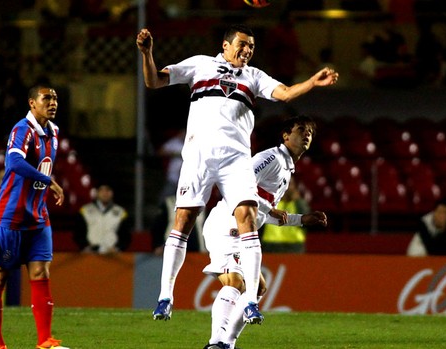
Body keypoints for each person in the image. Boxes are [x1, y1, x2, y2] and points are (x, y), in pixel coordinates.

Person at [136, 24, 338, 323]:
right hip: (199, 155)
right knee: (183, 221)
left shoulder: (253, 76)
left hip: (236, 158)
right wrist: (147, 52)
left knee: (247, 217)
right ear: (226, 45)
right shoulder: (201, 64)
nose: (247, 50)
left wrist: (311, 82)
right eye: (242, 44)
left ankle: (250, 303)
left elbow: (283, 94)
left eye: (252, 47)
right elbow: (154, 81)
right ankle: (165, 296)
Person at [202, 115, 328, 349]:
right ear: (286, 135)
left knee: (258, 287)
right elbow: (238, 184)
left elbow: (263, 212)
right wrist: (271, 207)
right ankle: (216, 343)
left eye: (310, 131)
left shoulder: (287, 168)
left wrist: (301, 219)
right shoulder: (272, 157)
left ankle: (226, 343)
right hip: (228, 224)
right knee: (235, 281)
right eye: (301, 130)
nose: (307, 134)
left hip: (242, 228)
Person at [0, 85, 68, 349]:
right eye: (46, 98)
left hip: (38, 216)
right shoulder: (22, 130)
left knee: (41, 272)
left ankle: (45, 341)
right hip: (12, 216)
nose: (52, 102)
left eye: (54, 98)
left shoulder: (53, 132)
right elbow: (14, 163)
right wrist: (49, 181)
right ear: (32, 103)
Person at [73, 184, 132, 255]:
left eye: (108, 190)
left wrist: (117, 248)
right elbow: (78, 233)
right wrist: (85, 246)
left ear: (112, 193)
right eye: (102, 190)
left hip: (112, 256)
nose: (105, 193)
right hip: (90, 254)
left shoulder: (120, 212)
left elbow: (126, 236)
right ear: (97, 193)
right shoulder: (85, 210)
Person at [260, 178, 310, 253]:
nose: (287, 187)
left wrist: (299, 201)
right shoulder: (269, 202)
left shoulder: (299, 203)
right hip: (270, 245)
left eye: (290, 184)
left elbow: (308, 223)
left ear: (295, 187)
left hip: (294, 246)